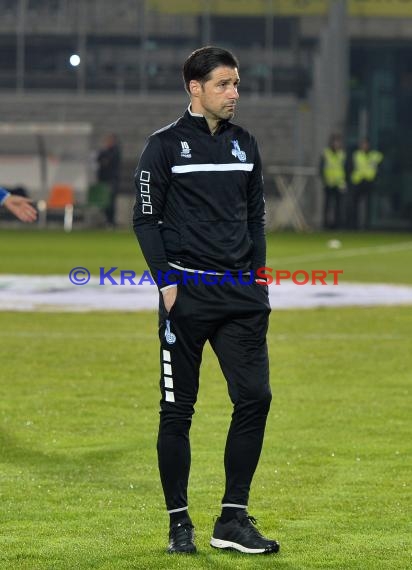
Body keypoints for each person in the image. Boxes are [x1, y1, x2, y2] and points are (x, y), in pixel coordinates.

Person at [133, 46, 279, 556]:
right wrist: (166, 283)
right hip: (187, 296)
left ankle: (232, 520)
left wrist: (258, 280)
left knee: (255, 398)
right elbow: (145, 219)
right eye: (224, 84)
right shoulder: (163, 147)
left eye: (236, 83)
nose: (234, 93)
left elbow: (256, 217)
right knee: (177, 412)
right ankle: (179, 524)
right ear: (194, 88)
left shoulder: (247, 145)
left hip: (240, 295)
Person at [349, 138, 383, 229]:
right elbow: (350, 167)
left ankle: (369, 225)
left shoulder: (374, 155)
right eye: (362, 144)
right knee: (355, 204)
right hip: (358, 181)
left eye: (366, 144)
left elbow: (381, 163)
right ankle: (354, 225)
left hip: (369, 181)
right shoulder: (356, 155)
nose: (364, 146)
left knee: (369, 205)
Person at [319, 133, 347, 229]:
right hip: (328, 184)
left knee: (339, 206)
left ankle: (338, 225)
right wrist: (324, 180)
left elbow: (346, 168)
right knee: (327, 206)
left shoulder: (342, 154)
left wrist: (344, 182)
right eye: (334, 142)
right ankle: (326, 225)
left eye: (338, 142)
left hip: (339, 184)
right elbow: (321, 168)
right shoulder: (326, 153)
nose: (336, 144)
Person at [96, 134, 122, 226]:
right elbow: (99, 159)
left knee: (111, 201)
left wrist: (105, 161)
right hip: (104, 180)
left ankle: (111, 221)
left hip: (112, 180)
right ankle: (107, 220)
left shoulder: (115, 151)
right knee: (105, 202)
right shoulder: (105, 151)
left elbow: (107, 161)